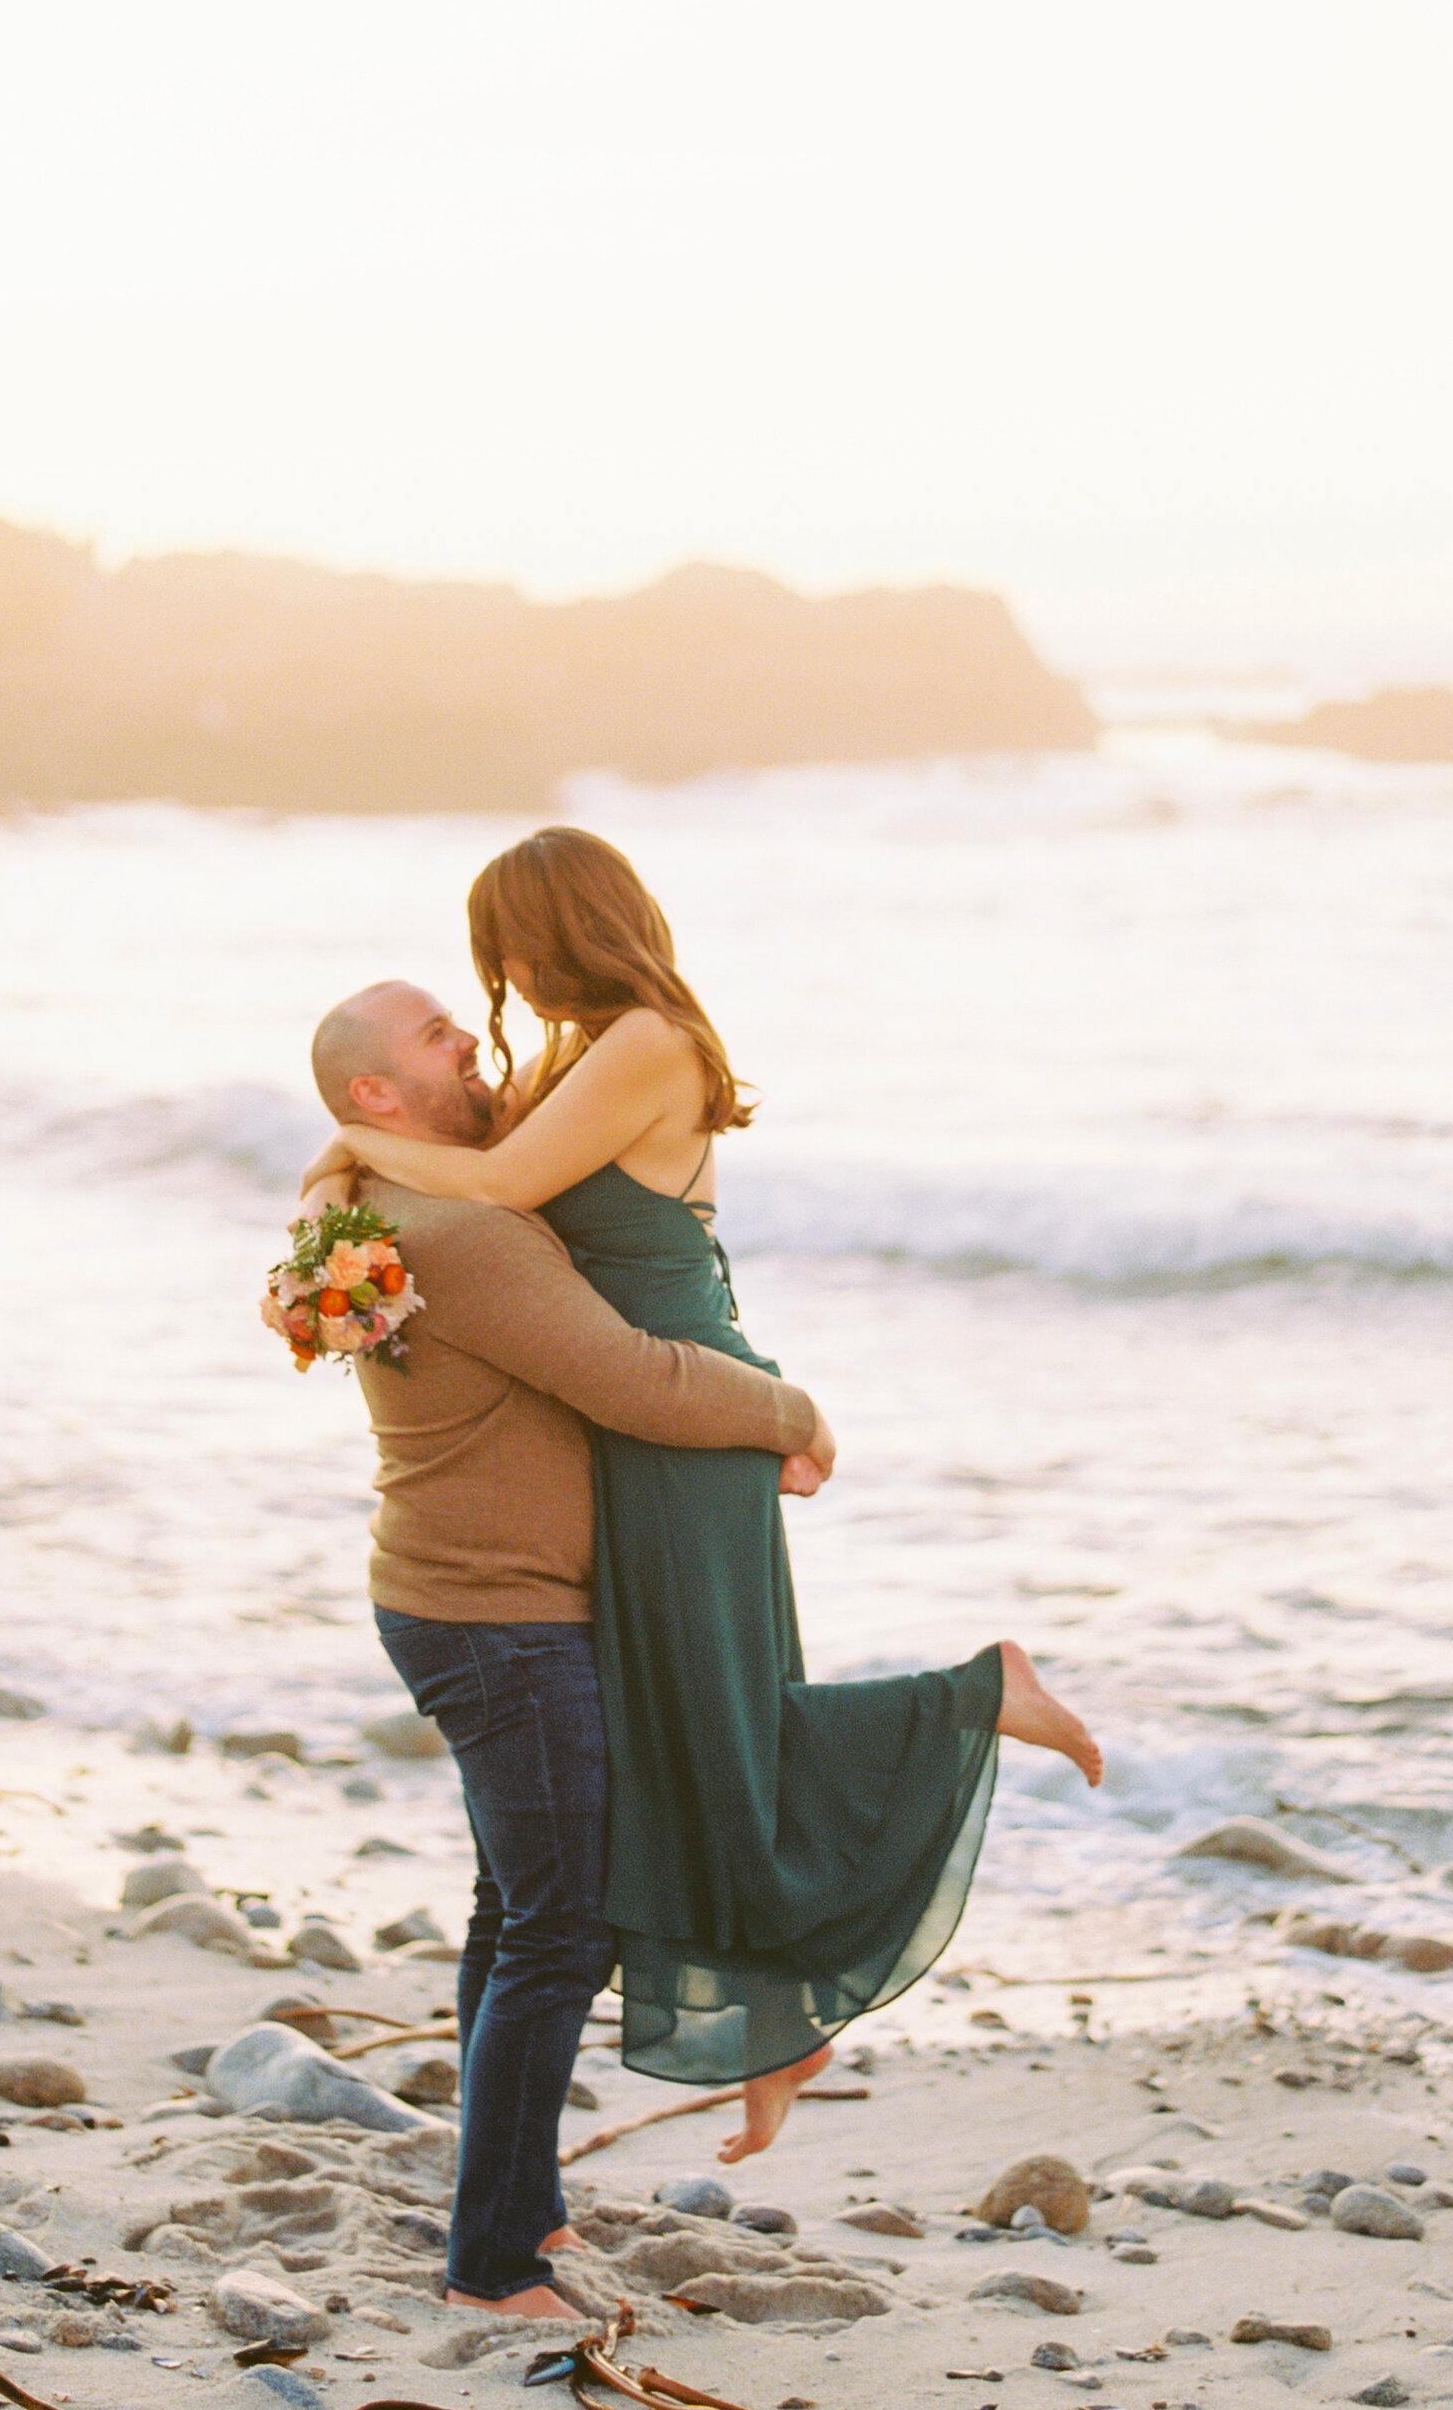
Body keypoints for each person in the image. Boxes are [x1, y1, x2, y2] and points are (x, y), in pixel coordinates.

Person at [301, 827, 1102, 2173]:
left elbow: (490, 1187)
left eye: (502, 952)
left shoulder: (647, 1043)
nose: (496, 982)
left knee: (724, 1732)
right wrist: (348, 1179)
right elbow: (472, 1169)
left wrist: (338, 1149)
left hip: (682, 1407)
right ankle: (777, 2032)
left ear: (558, 932)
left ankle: (979, 1695)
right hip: (637, 1421)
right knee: (693, 1745)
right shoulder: (572, 1052)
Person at [261, 975, 835, 2324]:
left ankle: (515, 2206)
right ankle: (493, 2265)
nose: (476, 1043)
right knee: (560, 1928)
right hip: (503, 1622)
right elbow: (639, 1380)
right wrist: (796, 1410)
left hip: (457, 1601)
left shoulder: (360, 1206)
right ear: (376, 1099)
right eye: (439, 1039)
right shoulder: (462, 1232)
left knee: (512, 1910)